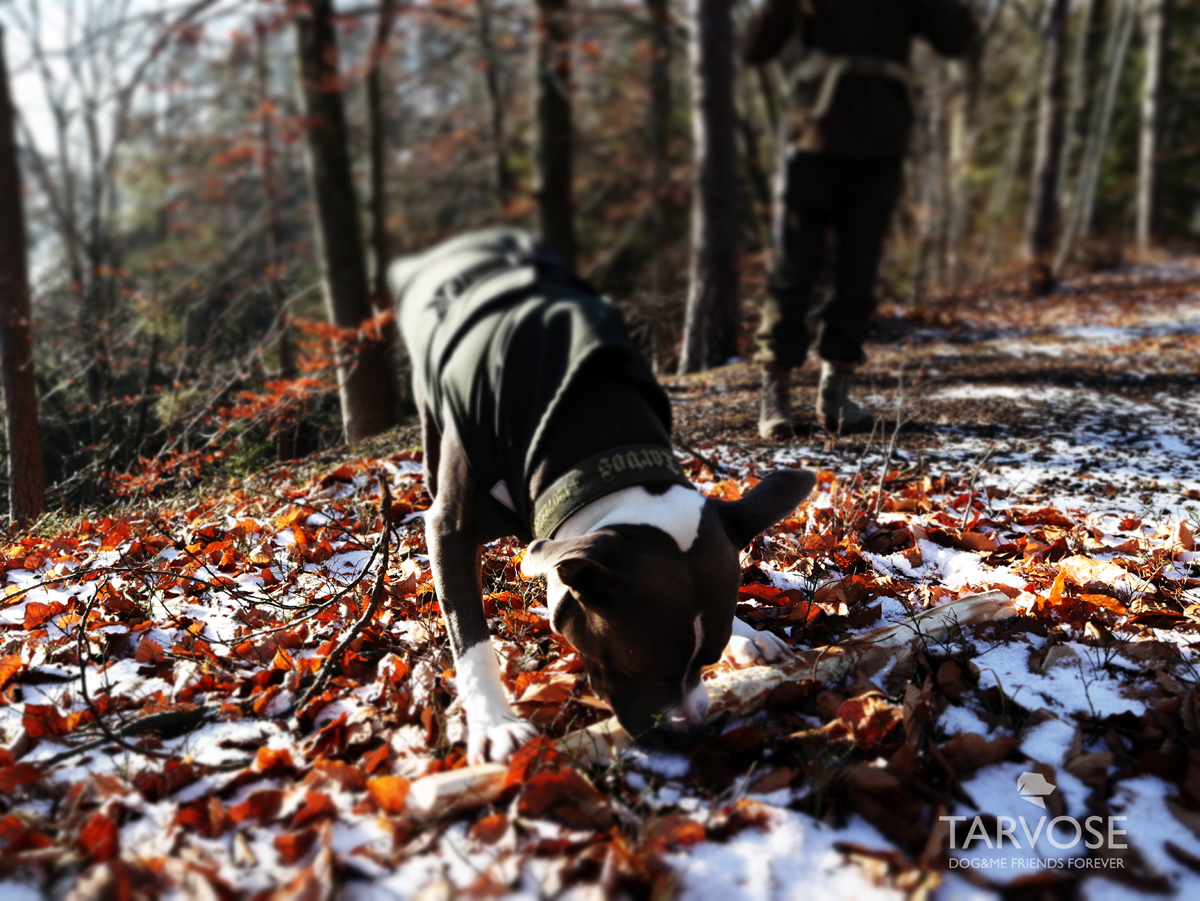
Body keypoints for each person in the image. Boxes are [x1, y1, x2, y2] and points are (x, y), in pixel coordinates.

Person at [742, 0, 977, 438]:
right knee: (794, 266)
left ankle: (835, 392)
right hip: (814, 134)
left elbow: (955, 41)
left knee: (859, 270)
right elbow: (755, 48)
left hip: (882, 142)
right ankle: (775, 394)